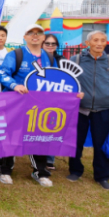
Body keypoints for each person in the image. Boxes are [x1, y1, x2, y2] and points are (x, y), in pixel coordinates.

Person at [0, 24, 56, 187]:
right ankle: (4, 170)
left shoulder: (49, 57)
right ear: (25, 37)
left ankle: (40, 172)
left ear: (43, 37)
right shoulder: (16, 55)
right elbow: (2, 74)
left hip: (40, 106)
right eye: (31, 33)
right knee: (10, 136)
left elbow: (57, 80)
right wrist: (15, 85)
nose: (35, 35)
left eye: (39, 33)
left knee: (39, 137)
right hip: (15, 103)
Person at [67, 31, 109, 191]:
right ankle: (75, 170)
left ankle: (102, 176)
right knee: (76, 142)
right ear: (88, 43)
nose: (99, 43)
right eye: (96, 40)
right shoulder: (76, 60)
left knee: (101, 144)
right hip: (80, 109)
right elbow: (68, 83)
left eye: (103, 40)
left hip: (104, 109)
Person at [42, 34, 63, 171]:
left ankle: (49, 159)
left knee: (52, 129)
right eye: (47, 43)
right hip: (38, 99)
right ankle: (37, 158)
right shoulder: (36, 58)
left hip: (55, 100)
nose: (50, 46)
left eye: (53, 44)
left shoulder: (61, 61)